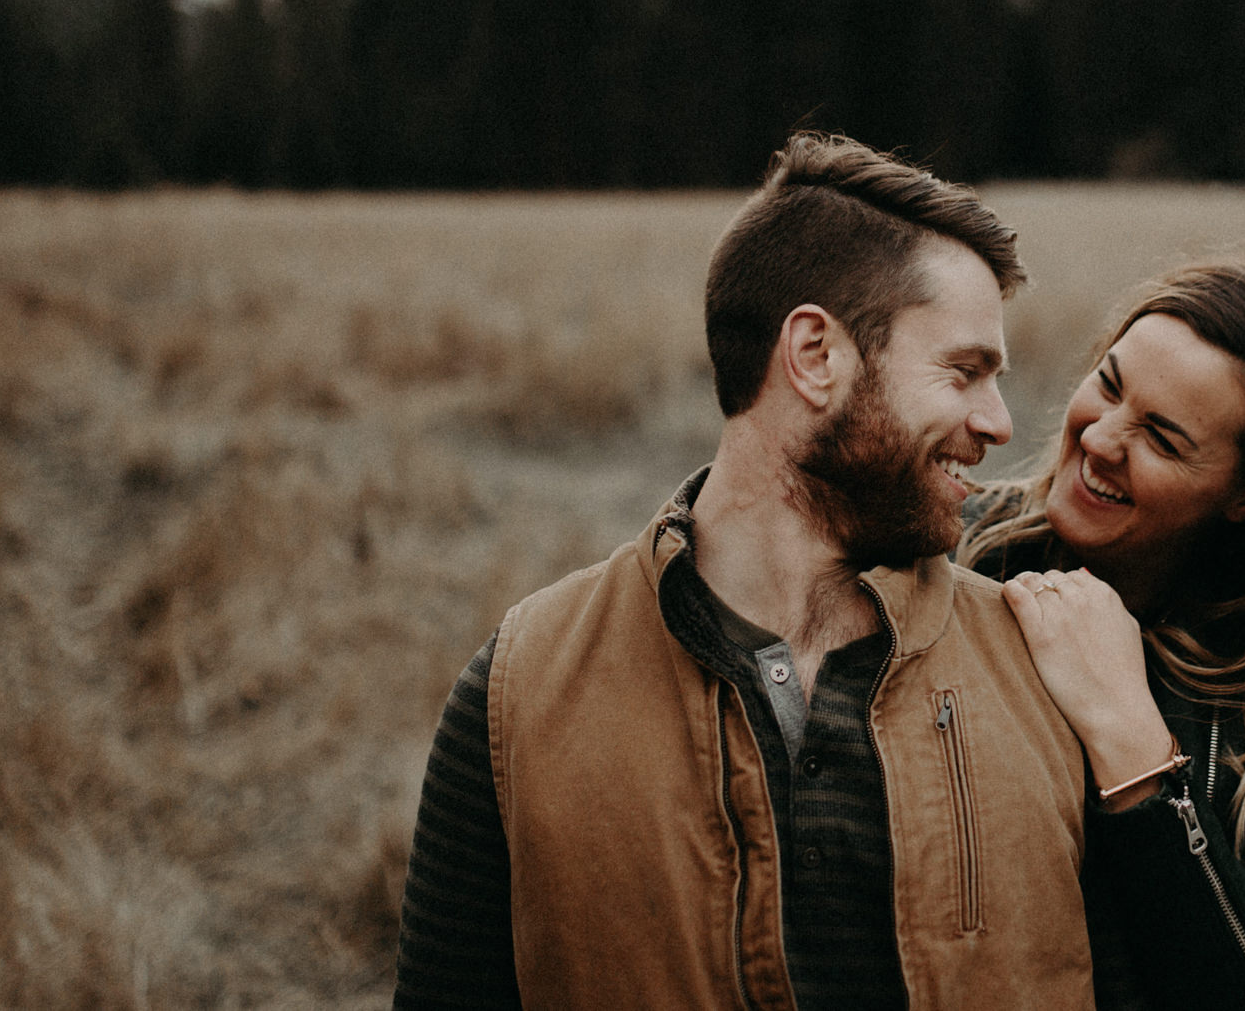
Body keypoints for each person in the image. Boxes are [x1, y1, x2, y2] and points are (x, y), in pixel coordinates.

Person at [394, 134, 1095, 1010]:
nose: (997, 422)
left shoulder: (1050, 668)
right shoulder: (520, 693)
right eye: (964, 372)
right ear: (815, 355)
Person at [959, 261, 1245, 1011]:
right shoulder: (954, 553)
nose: (1102, 439)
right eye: (1109, 385)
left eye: (1164, 439)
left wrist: (1134, 745)